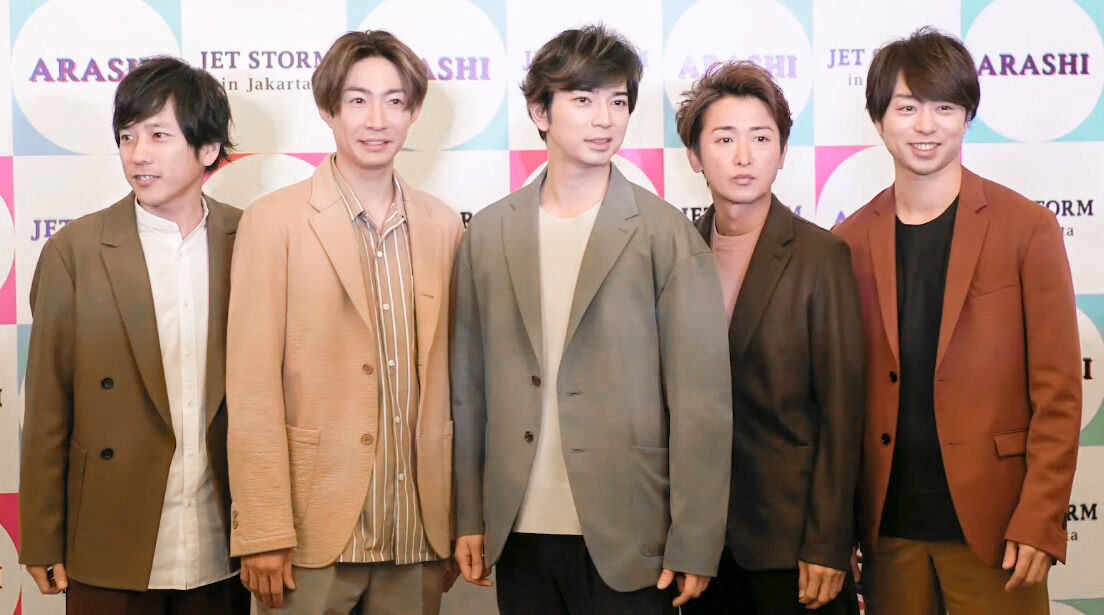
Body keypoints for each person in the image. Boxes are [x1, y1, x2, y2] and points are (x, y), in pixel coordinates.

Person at [451, 24, 733, 615]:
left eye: (618, 101)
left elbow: (701, 404)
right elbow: (468, 390)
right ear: (540, 112)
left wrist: (695, 539)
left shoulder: (666, 235)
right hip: (518, 526)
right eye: (583, 99)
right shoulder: (489, 232)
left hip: (631, 532)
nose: (605, 119)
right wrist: (469, 515)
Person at [834, 27, 1082, 615]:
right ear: (878, 120)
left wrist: (1041, 519)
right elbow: (838, 401)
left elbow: (1059, 392)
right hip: (888, 536)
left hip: (1000, 530)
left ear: (967, 116)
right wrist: (837, 530)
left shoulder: (1026, 229)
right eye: (907, 107)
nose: (926, 125)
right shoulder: (846, 243)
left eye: (944, 107)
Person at [225, 30, 462, 614]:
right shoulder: (273, 221)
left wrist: (460, 519)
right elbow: (251, 386)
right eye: (357, 100)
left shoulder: (443, 225)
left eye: (394, 101)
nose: (376, 120)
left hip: (417, 531)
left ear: (414, 112)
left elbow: (457, 383)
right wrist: (263, 529)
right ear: (328, 108)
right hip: (309, 534)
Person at [19, 56, 247, 614]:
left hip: (225, 539)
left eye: (159, 135)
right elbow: (47, 403)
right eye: (127, 136)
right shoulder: (75, 251)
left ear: (208, 149)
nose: (137, 154)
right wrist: (42, 535)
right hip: (109, 535)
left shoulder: (250, 238)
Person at [674, 60, 864, 614]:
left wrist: (829, 541)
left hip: (793, 544)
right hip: (702, 548)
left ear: (781, 152)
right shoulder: (675, 254)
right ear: (694, 156)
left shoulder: (821, 256)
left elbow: (843, 410)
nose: (744, 156)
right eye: (724, 139)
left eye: (761, 138)